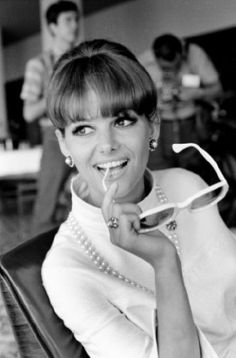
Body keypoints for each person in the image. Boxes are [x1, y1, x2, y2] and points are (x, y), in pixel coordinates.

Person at [42, 39, 236, 358]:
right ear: (63, 143)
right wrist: (163, 260)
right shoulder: (66, 269)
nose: (107, 144)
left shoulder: (188, 187)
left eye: (122, 121)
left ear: (153, 126)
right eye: (83, 129)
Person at [20, 0, 80, 236]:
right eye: (68, 20)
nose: (74, 25)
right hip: (56, 138)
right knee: (47, 205)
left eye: (76, 19)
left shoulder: (84, 58)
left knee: (91, 198)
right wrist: (56, 90)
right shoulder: (38, 65)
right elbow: (28, 113)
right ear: (52, 27)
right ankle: (40, 265)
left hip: (87, 132)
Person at [139, 33, 222, 171]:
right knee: (159, 166)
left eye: (175, 67)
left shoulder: (195, 55)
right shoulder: (143, 61)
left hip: (191, 120)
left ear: (181, 55)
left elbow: (217, 89)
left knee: (193, 163)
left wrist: (197, 93)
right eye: (165, 69)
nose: (170, 72)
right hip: (158, 121)